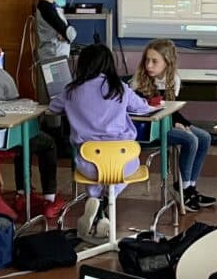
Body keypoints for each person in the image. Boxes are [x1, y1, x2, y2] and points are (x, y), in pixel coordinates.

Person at [47, 44, 150, 240]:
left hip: (89, 163)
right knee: (129, 166)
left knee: (95, 174)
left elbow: (53, 107)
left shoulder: (71, 91)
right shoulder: (120, 88)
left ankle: (96, 204)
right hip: (122, 162)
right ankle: (103, 205)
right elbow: (143, 108)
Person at [0, 28, 66, 220]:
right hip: (4, 141)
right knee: (39, 141)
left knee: (23, 139)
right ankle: (42, 196)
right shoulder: (3, 77)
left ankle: (22, 194)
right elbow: (15, 107)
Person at [131, 39, 216, 212]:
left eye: (155, 61)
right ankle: (183, 189)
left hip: (166, 122)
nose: (149, 65)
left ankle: (190, 186)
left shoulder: (173, 79)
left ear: (167, 62)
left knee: (205, 137)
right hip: (149, 129)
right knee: (190, 139)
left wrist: (182, 123)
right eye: (147, 60)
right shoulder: (138, 82)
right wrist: (180, 124)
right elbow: (148, 111)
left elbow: (170, 108)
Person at [33, 0, 73, 66]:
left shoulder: (53, 5)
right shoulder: (46, 8)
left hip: (57, 55)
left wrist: (66, 32)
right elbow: (70, 34)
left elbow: (66, 28)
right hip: (53, 57)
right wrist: (66, 33)